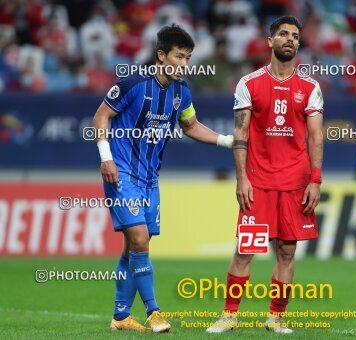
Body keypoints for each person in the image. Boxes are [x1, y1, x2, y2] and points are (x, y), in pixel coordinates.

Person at [92, 24, 233, 332]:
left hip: (150, 179)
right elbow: (101, 116)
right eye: (179, 57)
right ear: (161, 55)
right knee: (140, 239)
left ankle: (120, 317)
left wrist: (226, 140)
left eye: (188, 58)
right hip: (122, 173)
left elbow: (192, 126)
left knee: (134, 245)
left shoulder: (182, 92)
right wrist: (106, 157)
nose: (184, 64)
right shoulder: (132, 84)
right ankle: (154, 311)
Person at [206, 15, 324, 334]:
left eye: (295, 35)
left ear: (299, 43)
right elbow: (240, 133)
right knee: (245, 250)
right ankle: (229, 315)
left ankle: (276, 317)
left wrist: (315, 180)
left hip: (296, 184)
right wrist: (242, 178)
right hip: (258, 183)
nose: (290, 39)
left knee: (287, 250)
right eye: (283, 34)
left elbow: (315, 137)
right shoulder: (249, 83)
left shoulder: (311, 87)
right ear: (269, 41)